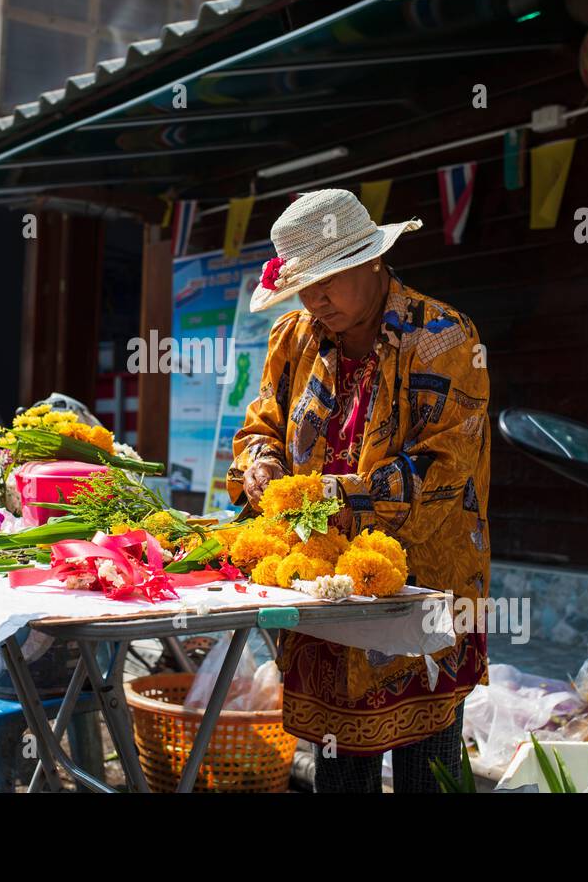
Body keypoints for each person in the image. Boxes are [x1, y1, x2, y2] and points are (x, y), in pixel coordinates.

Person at [228, 188, 491, 793]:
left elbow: (443, 471)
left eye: (330, 279)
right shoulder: (294, 336)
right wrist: (263, 465)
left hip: (421, 586)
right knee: (340, 765)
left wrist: (328, 494)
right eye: (305, 284)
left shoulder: (444, 337)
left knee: (430, 770)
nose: (316, 298)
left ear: (373, 259)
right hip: (321, 583)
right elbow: (260, 425)